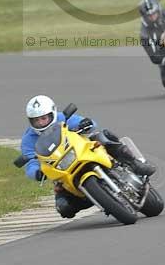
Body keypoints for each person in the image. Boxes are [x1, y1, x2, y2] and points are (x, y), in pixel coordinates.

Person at [20, 94, 155, 219]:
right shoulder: (28, 139)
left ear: (53, 113)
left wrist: (86, 123)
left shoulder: (63, 118)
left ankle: (135, 163)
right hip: (62, 169)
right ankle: (99, 199)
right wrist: (36, 172)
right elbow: (30, 162)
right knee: (64, 208)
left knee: (103, 135)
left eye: (44, 118)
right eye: (36, 120)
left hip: (82, 151)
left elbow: (88, 123)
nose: (41, 123)